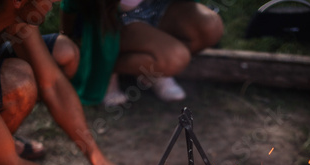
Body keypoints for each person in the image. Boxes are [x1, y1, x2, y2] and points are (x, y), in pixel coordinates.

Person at [0, 0, 136, 165]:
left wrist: (98, 160)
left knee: (64, 52)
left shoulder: (17, 15)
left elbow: (53, 84)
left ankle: (2, 137)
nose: (55, 1)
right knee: (19, 83)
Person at [60, 0, 223, 106]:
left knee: (210, 26)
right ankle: (102, 68)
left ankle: (150, 67)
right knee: (176, 58)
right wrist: (67, 36)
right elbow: (69, 6)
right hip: (117, 18)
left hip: (160, 7)